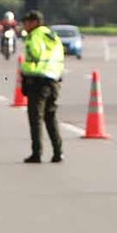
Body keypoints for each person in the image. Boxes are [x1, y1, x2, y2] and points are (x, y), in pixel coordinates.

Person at [19, 9, 66, 163]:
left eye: (26, 22)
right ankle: (58, 152)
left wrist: (25, 72)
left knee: (36, 118)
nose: (24, 25)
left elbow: (34, 55)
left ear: (34, 23)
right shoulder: (52, 36)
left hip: (38, 81)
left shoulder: (34, 36)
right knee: (50, 117)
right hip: (54, 80)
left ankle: (37, 153)